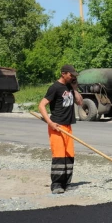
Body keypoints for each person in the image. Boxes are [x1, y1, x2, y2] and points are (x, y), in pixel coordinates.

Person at [38, 64, 84, 194]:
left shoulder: (70, 87)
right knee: (59, 156)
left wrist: (74, 88)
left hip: (68, 126)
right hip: (57, 126)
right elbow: (41, 106)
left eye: (74, 75)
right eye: (71, 75)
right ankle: (56, 184)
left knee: (69, 155)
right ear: (63, 74)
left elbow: (80, 103)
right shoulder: (55, 88)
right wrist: (50, 122)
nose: (72, 76)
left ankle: (66, 183)